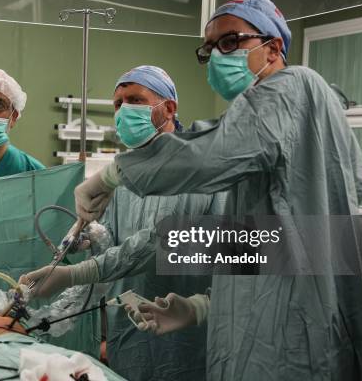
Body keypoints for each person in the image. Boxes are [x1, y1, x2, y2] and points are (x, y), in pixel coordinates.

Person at [70, 0, 362, 380]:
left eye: (230, 42)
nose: (217, 55)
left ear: (272, 48)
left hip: (296, 330)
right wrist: (201, 307)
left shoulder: (295, 87)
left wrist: (110, 175)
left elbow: (208, 156)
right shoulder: (267, 130)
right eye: (209, 48)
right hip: (267, 317)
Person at [20, 66, 223, 380]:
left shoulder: (193, 171)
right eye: (118, 103)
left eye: (136, 100)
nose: (124, 110)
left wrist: (74, 274)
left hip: (182, 329)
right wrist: (94, 237)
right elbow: (115, 238)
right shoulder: (124, 173)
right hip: (128, 329)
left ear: (169, 108)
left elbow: (157, 244)